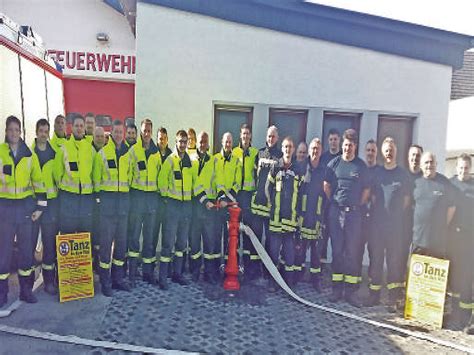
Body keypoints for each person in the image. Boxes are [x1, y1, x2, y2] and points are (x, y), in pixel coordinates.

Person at [0, 115, 44, 306]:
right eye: (10, 130)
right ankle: (1, 294)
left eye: (16, 130)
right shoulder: (0, 152)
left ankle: (26, 291)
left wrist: (40, 208)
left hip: (25, 209)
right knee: (4, 253)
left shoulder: (29, 155)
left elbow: (38, 182)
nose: (13, 133)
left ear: (21, 132)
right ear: (6, 131)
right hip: (5, 210)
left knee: (26, 252)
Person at [324, 129, 370, 307]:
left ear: (355, 146)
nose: (347, 148)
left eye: (351, 145)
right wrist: (336, 203)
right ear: (342, 145)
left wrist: (355, 205)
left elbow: (366, 191)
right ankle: (337, 289)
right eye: (345, 145)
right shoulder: (333, 164)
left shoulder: (361, 166)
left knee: (352, 253)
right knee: (337, 251)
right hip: (336, 213)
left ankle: (350, 292)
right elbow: (326, 186)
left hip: (354, 215)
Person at [365, 138, 411, 311]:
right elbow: (374, 198)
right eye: (386, 149)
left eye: (392, 149)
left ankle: (392, 298)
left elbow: (407, 201)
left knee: (394, 262)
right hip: (377, 227)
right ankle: (374, 295)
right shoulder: (377, 173)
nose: (389, 152)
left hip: (395, 228)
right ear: (382, 153)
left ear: (395, 151)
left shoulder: (403, 175)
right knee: (375, 261)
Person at [93, 120, 132, 296]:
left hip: (122, 206)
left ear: (123, 134)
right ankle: (105, 282)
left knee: (121, 246)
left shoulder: (128, 155)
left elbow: (130, 178)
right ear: (111, 133)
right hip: (108, 208)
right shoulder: (102, 154)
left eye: (120, 132)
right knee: (106, 246)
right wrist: (102, 201)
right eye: (115, 132)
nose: (117, 135)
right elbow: (96, 180)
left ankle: (118, 279)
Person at [158, 130, 196, 289]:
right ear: (176, 141)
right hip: (172, 206)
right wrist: (168, 200)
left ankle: (177, 274)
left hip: (186, 207)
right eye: (180, 141)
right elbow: (161, 183)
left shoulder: (189, 162)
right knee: (167, 243)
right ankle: (162, 278)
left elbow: (194, 184)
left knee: (181, 244)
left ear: (188, 143)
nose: (182, 144)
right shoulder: (169, 160)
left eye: (184, 141)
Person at [266, 136, 304, 291]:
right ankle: (272, 283)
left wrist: (298, 216)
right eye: (285, 147)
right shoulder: (276, 167)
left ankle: (288, 284)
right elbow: (267, 188)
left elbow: (301, 194)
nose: (288, 150)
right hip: (276, 220)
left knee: (290, 256)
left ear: (293, 149)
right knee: (273, 254)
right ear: (282, 149)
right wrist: (271, 205)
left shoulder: (298, 170)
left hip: (290, 221)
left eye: (290, 147)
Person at [127, 118, 161, 286]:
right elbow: (128, 176)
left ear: (151, 132)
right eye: (144, 131)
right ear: (140, 132)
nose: (146, 134)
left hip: (152, 199)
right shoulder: (133, 151)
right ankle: (132, 273)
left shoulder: (157, 154)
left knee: (149, 239)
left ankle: (148, 272)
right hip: (137, 198)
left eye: (149, 131)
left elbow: (161, 178)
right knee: (134, 237)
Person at [54, 114, 96, 236]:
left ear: (84, 129)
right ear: (71, 128)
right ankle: (67, 256)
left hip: (86, 198)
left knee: (85, 230)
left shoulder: (90, 149)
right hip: (68, 198)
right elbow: (57, 173)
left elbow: (94, 172)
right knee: (68, 230)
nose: (79, 128)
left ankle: (85, 256)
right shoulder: (64, 148)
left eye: (81, 126)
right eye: (76, 125)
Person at [31, 119, 59, 295]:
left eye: (46, 131)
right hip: (32, 205)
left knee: (49, 245)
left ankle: (49, 281)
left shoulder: (54, 154)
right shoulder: (29, 153)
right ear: (36, 132)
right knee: (29, 245)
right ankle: (28, 283)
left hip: (50, 206)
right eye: (41, 131)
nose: (43, 134)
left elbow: (58, 177)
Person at [250, 125, 282, 278]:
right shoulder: (259, 153)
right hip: (257, 204)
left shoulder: (280, 156)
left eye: (273, 136)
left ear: (277, 138)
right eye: (269, 136)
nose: (271, 139)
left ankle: (268, 272)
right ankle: (254, 271)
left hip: (271, 208)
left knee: (270, 242)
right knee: (255, 239)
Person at [295, 138, 326, 292]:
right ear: (309, 151)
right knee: (299, 249)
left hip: (317, 217)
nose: (315, 151)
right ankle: (297, 276)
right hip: (303, 215)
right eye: (313, 148)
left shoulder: (325, 170)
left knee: (316, 252)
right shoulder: (301, 167)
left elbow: (329, 193)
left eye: (317, 149)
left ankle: (315, 280)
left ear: (320, 151)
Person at [412, 152, 456, 258]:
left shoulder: (445, 183)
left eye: (431, 162)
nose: (429, 165)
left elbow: (452, 207)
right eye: (426, 162)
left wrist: (443, 224)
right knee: (417, 273)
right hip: (419, 240)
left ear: (436, 164)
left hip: (438, 242)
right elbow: (411, 205)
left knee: (434, 274)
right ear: (421, 166)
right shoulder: (415, 182)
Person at [448, 154, 473, 330]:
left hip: (470, 238)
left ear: (470, 168)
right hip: (452, 238)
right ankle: (453, 313)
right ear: (456, 168)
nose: (463, 171)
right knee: (453, 276)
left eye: (466, 168)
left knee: (467, 277)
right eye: (461, 167)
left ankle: (466, 316)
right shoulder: (450, 184)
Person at [190, 131, 219, 283]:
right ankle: (195, 272)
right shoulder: (191, 160)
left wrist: (220, 197)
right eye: (200, 141)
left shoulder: (213, 161)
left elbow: (217, 180)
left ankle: (209, 273)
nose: (202, 144)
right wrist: (204, 199)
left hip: (210, 209)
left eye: (205, 142)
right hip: (197, 206)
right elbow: (192, 183)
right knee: (194, 243)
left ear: (208, 144)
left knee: (209, 243)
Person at [232, 124, 259, 281]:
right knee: (234, 232)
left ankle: (249, 269)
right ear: (240, 135)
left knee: (248, 233)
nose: (245, 136)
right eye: (243, 133)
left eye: (248, 134)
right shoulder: (234, 152)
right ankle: (234, 266)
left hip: (249, 197)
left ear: (250, 136)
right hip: (236, 196)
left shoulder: (255, 153)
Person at [214, 132, 242, 273]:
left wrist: (228, 199)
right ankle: (218, 267)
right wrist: (220, 197)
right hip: (218, 204)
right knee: (217, 236)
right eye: (226, 141)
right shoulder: (215, 159)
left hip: (230, 206)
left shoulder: (237, 161)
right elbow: (213, 180)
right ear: (222, 142)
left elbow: (238, 183)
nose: (228, 144)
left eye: (230, 142)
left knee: (231, 239)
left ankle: (229, 266)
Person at [319, 128, 342, 264]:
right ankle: (320, 270)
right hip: (324, 205)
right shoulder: (324, 158)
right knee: (322, 238)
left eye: (336, 139)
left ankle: (335, 270)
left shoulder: (343, 158)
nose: (333, 142)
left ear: (340, 140)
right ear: (328, 141)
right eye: (331, 139)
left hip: (338, 205)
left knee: (337, 239)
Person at [152, 127, 173, 268]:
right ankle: (151, 262)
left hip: (168, 202)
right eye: (160, 138)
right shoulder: (152, 153)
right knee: (153, 234)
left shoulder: (172, 155)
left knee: (168, 234)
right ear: (157, 139)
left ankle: (167, 264)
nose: (162, 141)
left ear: (167, 139)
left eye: (164, 138)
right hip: (155, 200)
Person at [359, 139, 378, 282]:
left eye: (373, 150)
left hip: (374, 219)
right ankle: (356, 278)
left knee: (373, 251)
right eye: (368, 150)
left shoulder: (380, 172)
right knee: (357, 249)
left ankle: (372, 281)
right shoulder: (360, 169)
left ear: (376, 153)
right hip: (359, 217)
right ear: (364, 152)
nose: (370, 153)